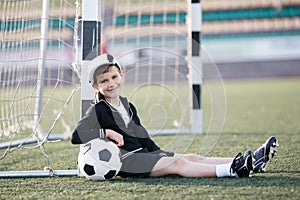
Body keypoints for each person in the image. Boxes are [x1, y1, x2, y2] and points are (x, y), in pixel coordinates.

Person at [71, 54, 278, 178]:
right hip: (128, 163)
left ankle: (248, 161)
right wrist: (107, 132)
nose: (111, 84)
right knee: (179, 164)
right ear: (95, 86)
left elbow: (142, 136)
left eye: (114, 77)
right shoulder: (98, 109)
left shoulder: (127, 105)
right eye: (104, 81)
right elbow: (76, 135)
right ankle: (232, 170)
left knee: (189, 157)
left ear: (121, 76)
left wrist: (160, 152)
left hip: (143, 155)